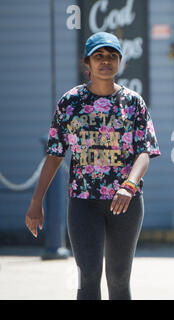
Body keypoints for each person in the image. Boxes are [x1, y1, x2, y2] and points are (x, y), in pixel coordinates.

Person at [24, 32, 161, 299]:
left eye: (112, 56)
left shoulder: (133, 103)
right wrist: (36, 201)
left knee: (119, 279)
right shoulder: (70, 102)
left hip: (126, 203)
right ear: (87, 62)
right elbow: (54, 154)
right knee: (88, 275)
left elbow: (144, 151)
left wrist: (129, 185)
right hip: (83, 202)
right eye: (99, 56)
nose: (106, 61)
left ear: (120, 61)